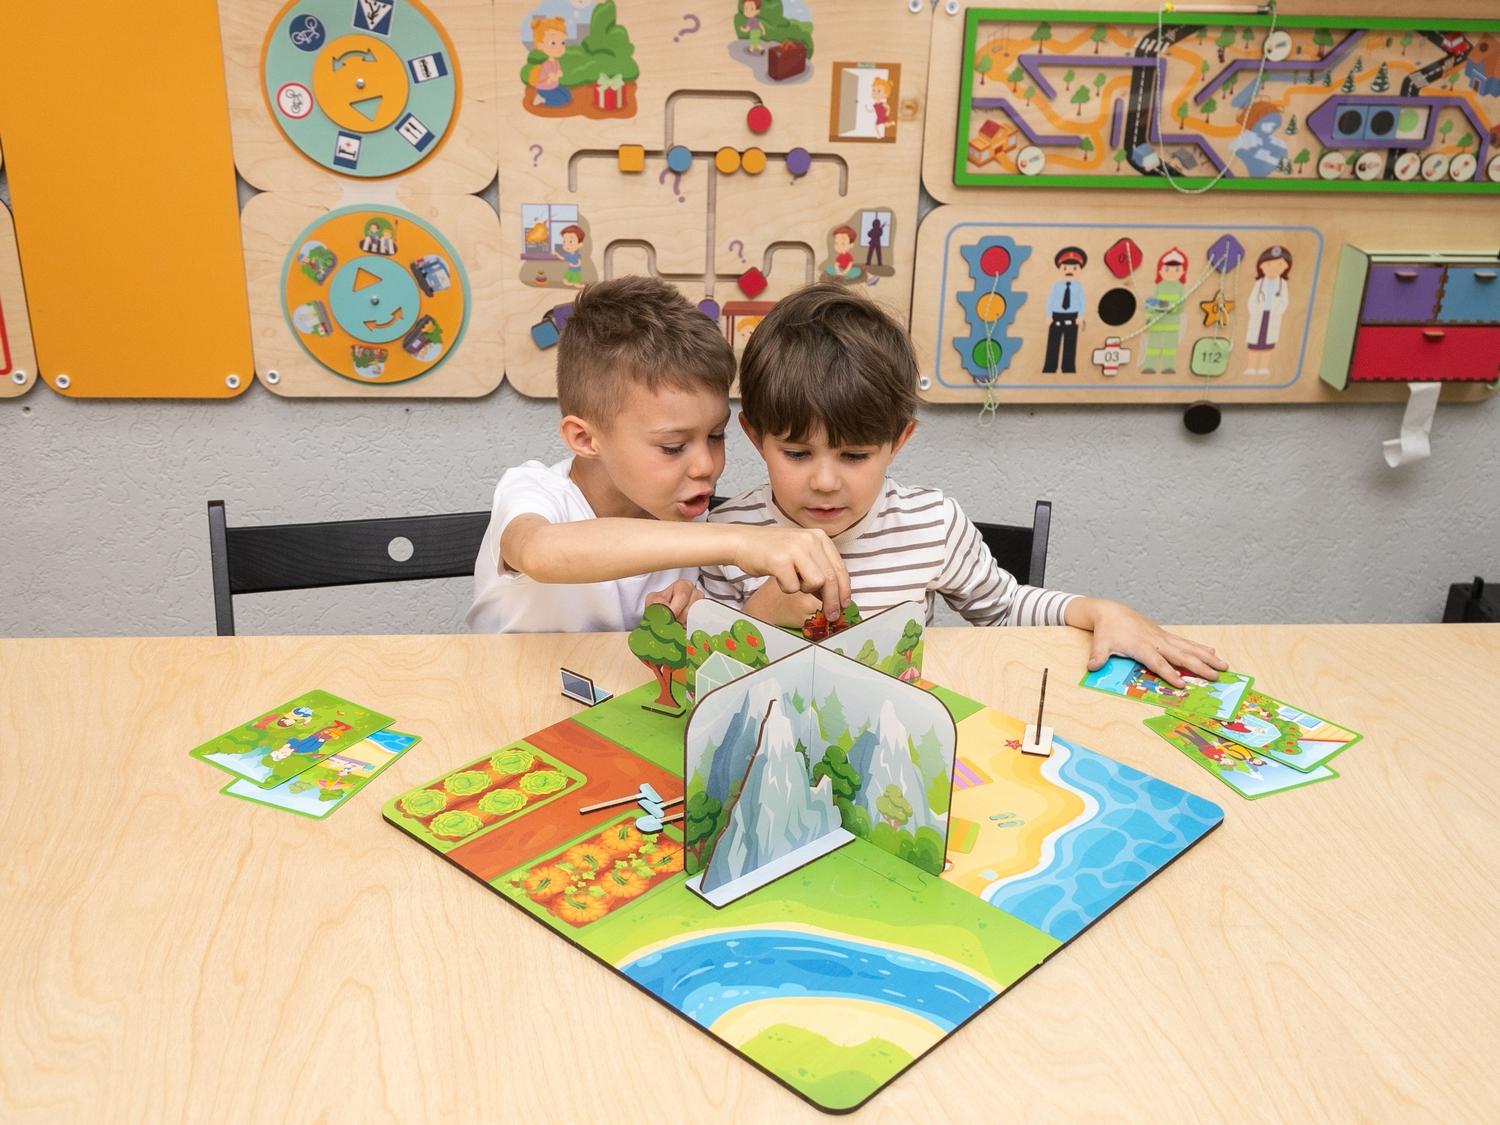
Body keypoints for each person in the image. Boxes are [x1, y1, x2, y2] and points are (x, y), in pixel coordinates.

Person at [699, 285, 1226, 685]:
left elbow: (1003, 609)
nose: (824, 481)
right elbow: (703, 670)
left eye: (855, 455)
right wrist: (760, 613)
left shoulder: (933, 525)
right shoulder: (727, 535)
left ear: (899, 441)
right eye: (797, 453)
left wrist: (1097, 610)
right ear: (756, 437)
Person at [466, 277, 850, 634]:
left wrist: (697, 612)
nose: (706, 466)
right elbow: (540, 553)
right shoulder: (535, 491)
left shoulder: (686, 516)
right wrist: (738, 542)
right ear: (584, 438)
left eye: (716, 435)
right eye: (673, 447)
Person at [1245, 244, 1292, 375]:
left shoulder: (1283, 285)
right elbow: (1252, 300)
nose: (1273, 268)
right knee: (1253, 344)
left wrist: (1277, 312)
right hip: (1258, 315)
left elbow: (1284, 301)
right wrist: (1254, 311)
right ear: (1261, 266)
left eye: (1279, 265)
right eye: (1269, 264)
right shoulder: (1258, 283)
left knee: (1268, 345)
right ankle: (1251, 367)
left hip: (1272, 316)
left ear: (1286, 267)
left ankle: (1264, 367)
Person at [1142, 247, 1188, 375]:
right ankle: (1150, 366)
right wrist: (1149, 317)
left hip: (1172, 325)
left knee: (1170, 348)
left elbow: (1181, 305)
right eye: (1167, 269)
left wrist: (1166, 305)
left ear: (1182, 271)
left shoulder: (1180, 288)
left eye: (1176, 270)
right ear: (1160, 271)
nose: (1171, 273)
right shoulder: (1158, 287)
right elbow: (1150, 304)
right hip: (1156, 324)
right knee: (1153, 347)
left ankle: (1168, 366)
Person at [1042, 245, 1087, 374]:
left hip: (1072, 317)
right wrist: (1048, 315)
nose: (1069, 271)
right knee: (1053, 343)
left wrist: (1081, 316)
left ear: (1080, 270)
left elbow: (1082, 302)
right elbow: (1050, 300)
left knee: (1070, 344)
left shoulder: (1079, 287)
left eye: (1074, 268)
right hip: (1056, 316)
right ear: (1060, 269)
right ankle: (1050, 367)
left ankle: (1068, 368)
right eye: (1065, 268)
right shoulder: (1056, 286)